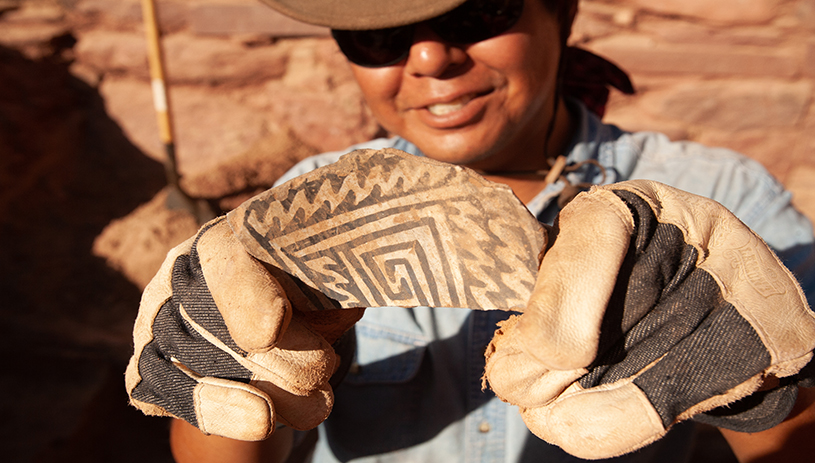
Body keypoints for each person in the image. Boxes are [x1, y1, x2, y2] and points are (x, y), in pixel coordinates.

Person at [129, 0, 815, 462]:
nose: (429, 59)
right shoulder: (303, 213)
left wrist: (758, 389)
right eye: (377, 36)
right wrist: (216, 368)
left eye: (477, 12)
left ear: (562, 9)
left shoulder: (721, 200)